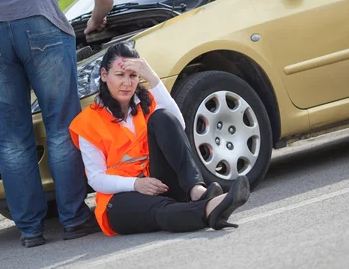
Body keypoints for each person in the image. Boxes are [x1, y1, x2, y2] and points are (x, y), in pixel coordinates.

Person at [0, 0, 115, 248]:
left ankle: (30, 230)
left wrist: (0, 60)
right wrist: (96, 20)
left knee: (11, 139)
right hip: (43, 28)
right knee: (60, 126)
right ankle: (73, 219)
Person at [69, 42, 250, 236]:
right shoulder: (87, 121)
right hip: (120, 198)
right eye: (120, 75)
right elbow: (96, 179)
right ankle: (210, 209)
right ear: (104, 75)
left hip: (159, 183)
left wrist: (153, 79)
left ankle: (197, 190)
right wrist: (135, 185)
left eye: (133, 76)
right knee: (161, 210)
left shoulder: (145, 101)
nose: (127, 83)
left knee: (163, 116)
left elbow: (178, 125)